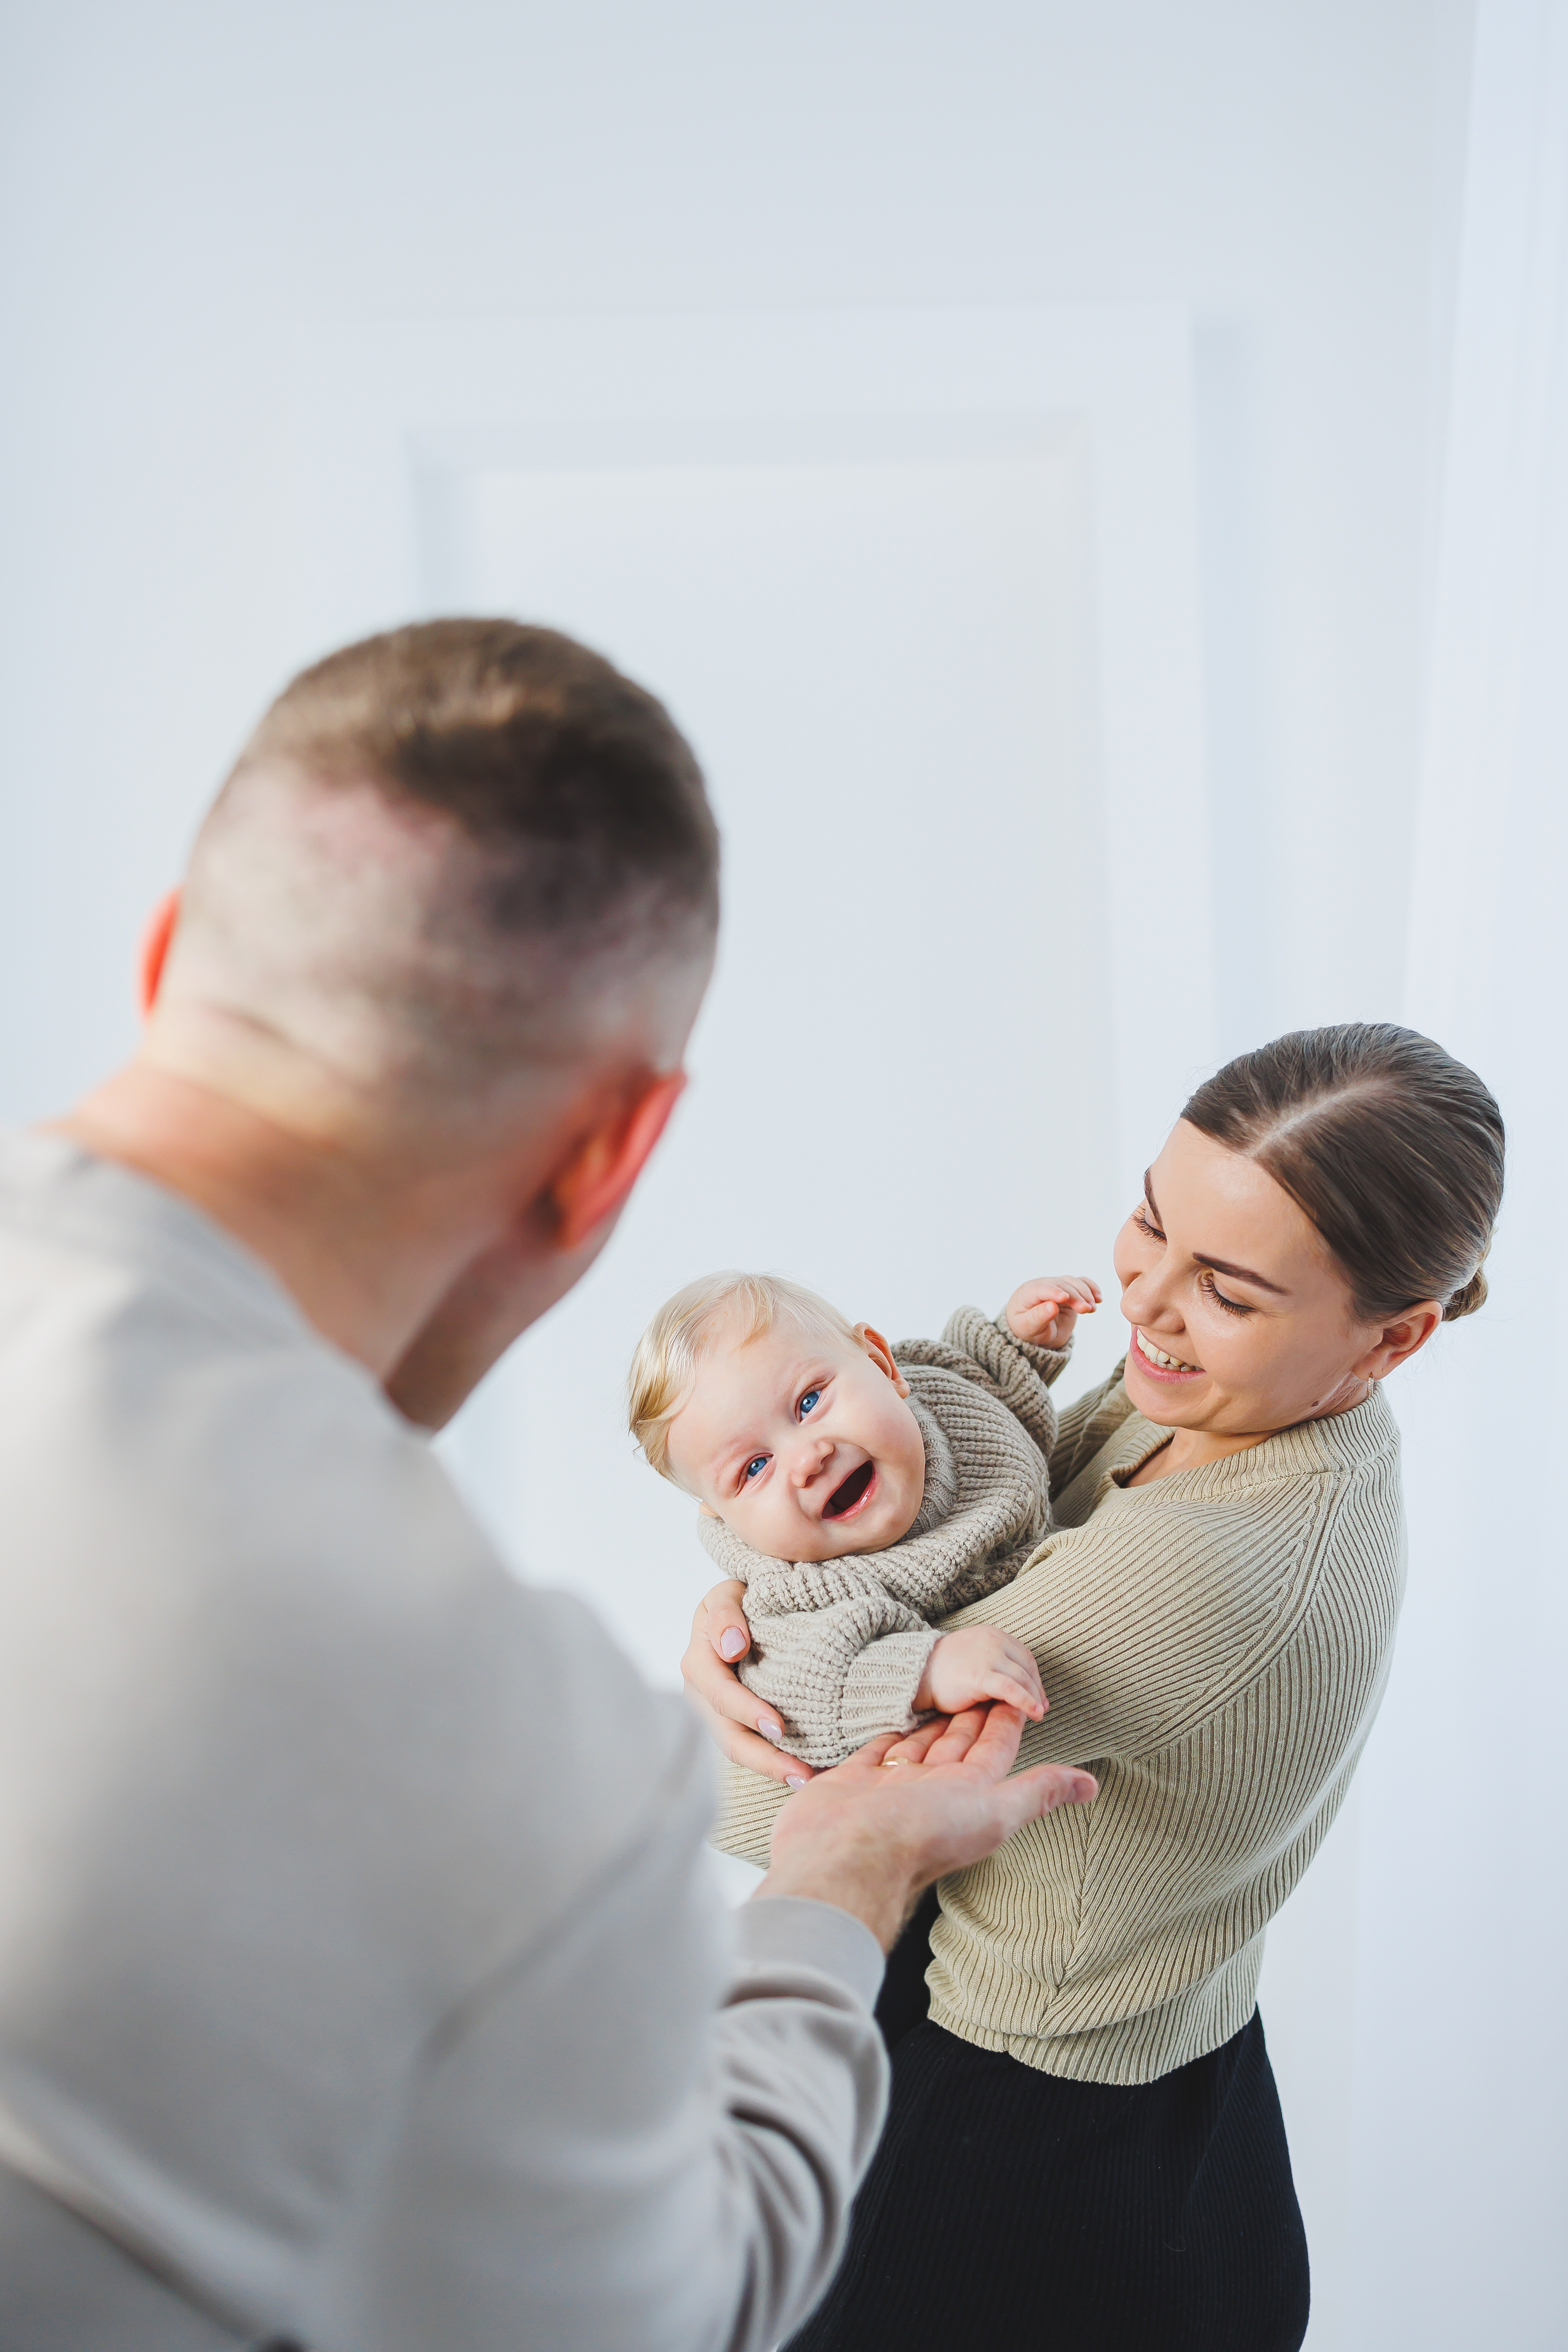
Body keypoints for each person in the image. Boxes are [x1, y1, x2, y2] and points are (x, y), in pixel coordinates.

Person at [0, 620, 1097, 2352]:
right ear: (613, 1150)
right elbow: (675, 2305)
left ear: (163, 959)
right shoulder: (518, 1752)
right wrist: (835, 1882)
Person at [682, 1023, 1505, 2352]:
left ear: (1391, 1334)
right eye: (1147, 1216)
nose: (1145, 1299)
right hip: (1171, 2046)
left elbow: (755, 1796)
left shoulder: (1195, 1565)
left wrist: (736, 1623)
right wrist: (741, 1607)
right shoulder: (1267, 1410)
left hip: (1021, 2131)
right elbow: (968, 1525)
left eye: (1226, 1288)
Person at [625, 1270, 1102, 1777]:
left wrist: (1018, 1340)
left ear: (880, 1363)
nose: (807, 1459)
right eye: (754, 1467)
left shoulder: (943, 1398)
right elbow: (799, 1681)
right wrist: (927, 1672)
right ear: (726, 1517)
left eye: (809, 1402)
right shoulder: (797, 1593)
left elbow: (981, 1372)